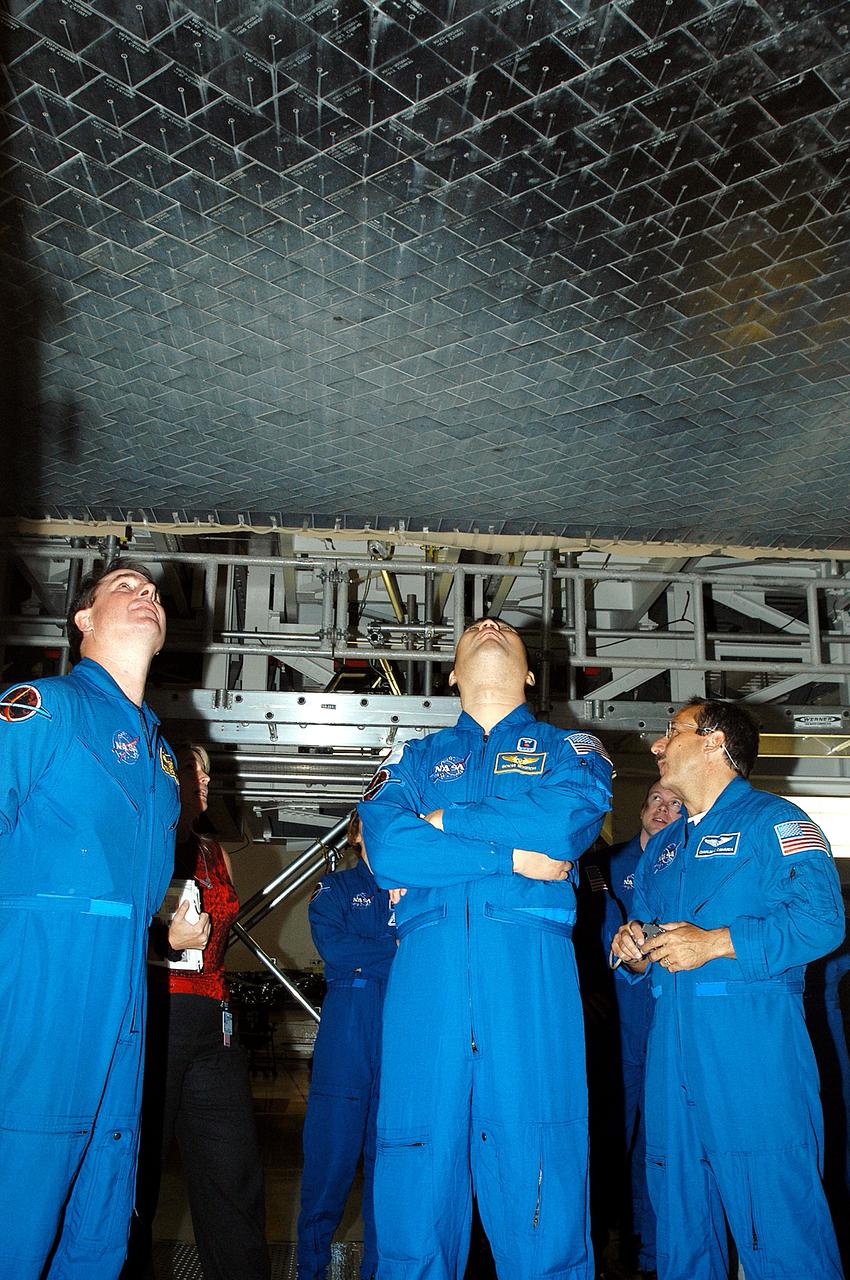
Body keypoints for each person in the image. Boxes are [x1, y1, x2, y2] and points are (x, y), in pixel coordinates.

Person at [359, 616, 614, 1280]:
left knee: (540, 1178)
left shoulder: (571, 750)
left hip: (528, 976)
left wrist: (446, 823)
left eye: (502, 629)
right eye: (471, 630)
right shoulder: (412, 760)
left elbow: (561, 823)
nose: (488, 624)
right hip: (427, 982)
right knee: (413, 1179)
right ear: (449, 673)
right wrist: (510, 855)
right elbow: (388, 847)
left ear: (531, 672)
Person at [611, 698, 844, 1280]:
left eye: (672, 733)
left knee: (778, 1218)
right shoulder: (664, 848)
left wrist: (716, 943)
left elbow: (823, 921)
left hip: (752, 1048)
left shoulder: (776, 822)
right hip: (671, 1049)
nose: (658, 746)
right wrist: (631, 948)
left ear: (714, 742)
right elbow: (644, 931)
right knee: (681, 1224)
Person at [0, 560, 180, 1278]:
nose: (148, 596)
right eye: (127, 588)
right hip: (43, 976)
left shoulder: (162, 756)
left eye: (155, 594)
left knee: (102, 1211)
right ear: (83, 620)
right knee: (20, 1189)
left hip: (125, 992)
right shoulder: (44, 706)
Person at [125, 743, 270, 1280]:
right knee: (139, 1174)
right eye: (191, 774)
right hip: (156, 1016)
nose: (202, 784)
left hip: (215, 1022)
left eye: (207, 776)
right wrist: (165, 940)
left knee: (234, 1173)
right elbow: (115, 928)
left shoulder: (217, 853)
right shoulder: (142, 841)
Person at [578, 784, 680, 1279]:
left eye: (676, 803)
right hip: (613, 1028)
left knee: (660, 1147)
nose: (664, 810)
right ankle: (591, 1248)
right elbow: (580, 937)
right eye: (657, 800)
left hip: (668, 1027)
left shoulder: (688, 868)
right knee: (604, 1138)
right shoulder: (601, 868)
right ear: (641, 806)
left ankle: (650, 1255)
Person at [297, 811, 397, 1280]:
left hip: (400, 1043)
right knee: (328, 1167)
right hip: (346, 1042)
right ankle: (311, 1269)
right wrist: (396, 953)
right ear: (356, 835)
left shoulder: (418, 893)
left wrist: (368, 960)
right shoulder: (333, 889)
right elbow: (336, 951)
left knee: (391, 1174)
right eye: (370, 826)